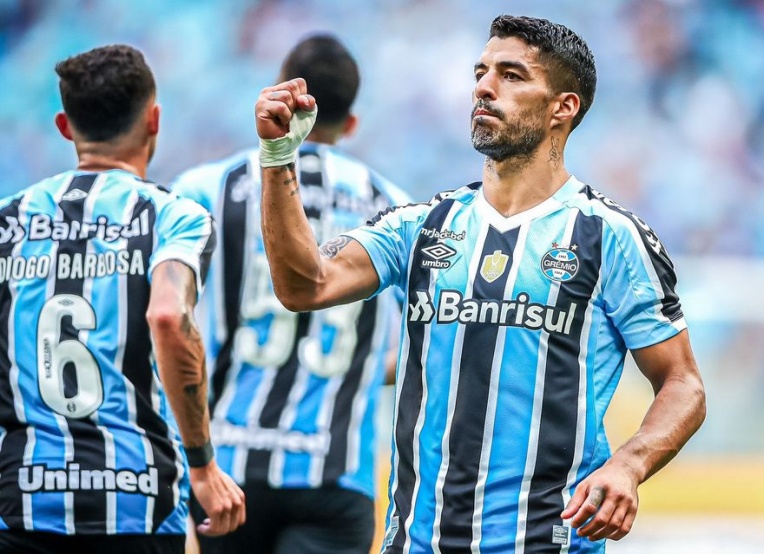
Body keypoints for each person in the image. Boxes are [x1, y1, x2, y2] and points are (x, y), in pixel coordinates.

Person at [254, 15, 707, 554]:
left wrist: (629, 465)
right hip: (418, 541)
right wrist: (279, 157)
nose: (484, 88)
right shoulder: (422, 226)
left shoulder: (609, 237)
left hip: (545, 542)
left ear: (563, 107)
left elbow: (683, 384)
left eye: (511, 75)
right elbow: (303, 286)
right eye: (481, 73)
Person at [0, 44, 245, 554]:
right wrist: (202, 466)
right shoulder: (176, 217)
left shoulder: (7, 222)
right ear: (154, 120)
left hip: (20, 499)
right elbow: (169, 317)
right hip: (139, 501)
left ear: (64, 126)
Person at [171, 34, 410, 554]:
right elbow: (427, 340)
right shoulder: (394, 206)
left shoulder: (204, 189)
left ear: (284, 93)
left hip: (227, 466)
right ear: (351, 122)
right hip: (337, 471)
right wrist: (366, 365)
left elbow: (168, 314)